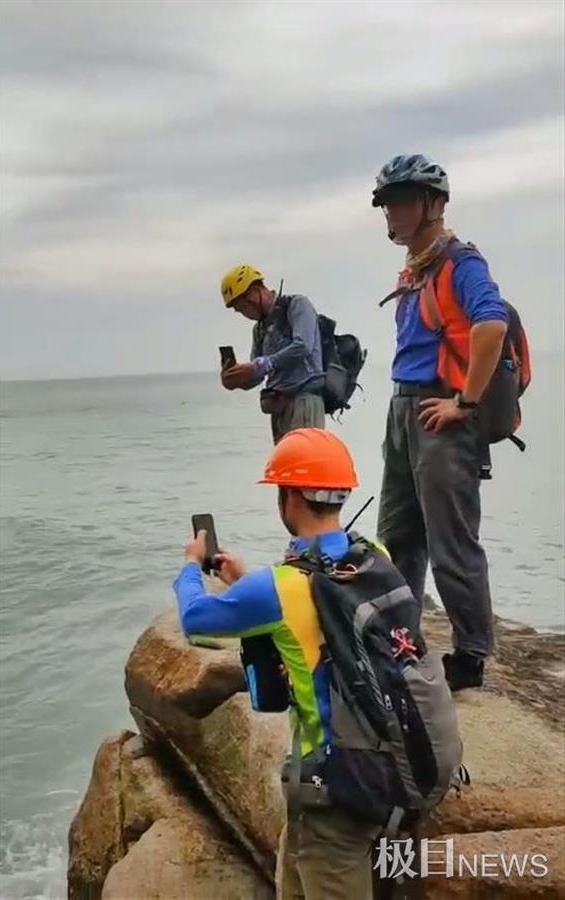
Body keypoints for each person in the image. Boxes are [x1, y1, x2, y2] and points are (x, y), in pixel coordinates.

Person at [174, 429, 382, 899]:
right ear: (343, 493)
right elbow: (319, 614)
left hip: (334, 781)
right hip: (381, 759)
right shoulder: (375, 557)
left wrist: (191, 566)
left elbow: (194, 620)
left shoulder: (278, 587)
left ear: (289, 498)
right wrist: (246, 580)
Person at [371, 153, 509, 692]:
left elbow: (491, 325)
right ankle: (401, 639)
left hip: (441, 413)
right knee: (399, 536)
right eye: (386, 202)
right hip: (404, 409)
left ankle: (471, 656)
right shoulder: (417, 267)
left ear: (433, 203)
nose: (390, 212)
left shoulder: (460, 262)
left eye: (401, 200)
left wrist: (466, 404)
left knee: (451, 541)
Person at [219, 264, 325, 443]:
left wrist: (262, 364)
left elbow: (303, 345)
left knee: (304, 461)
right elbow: (258, 373)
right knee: (286, 466)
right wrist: (238, 379)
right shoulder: (260, 328)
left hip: (304, 399)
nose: (243, 314)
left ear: (254, 292)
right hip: (278, 406)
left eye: (242, 307)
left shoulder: (297, 305)